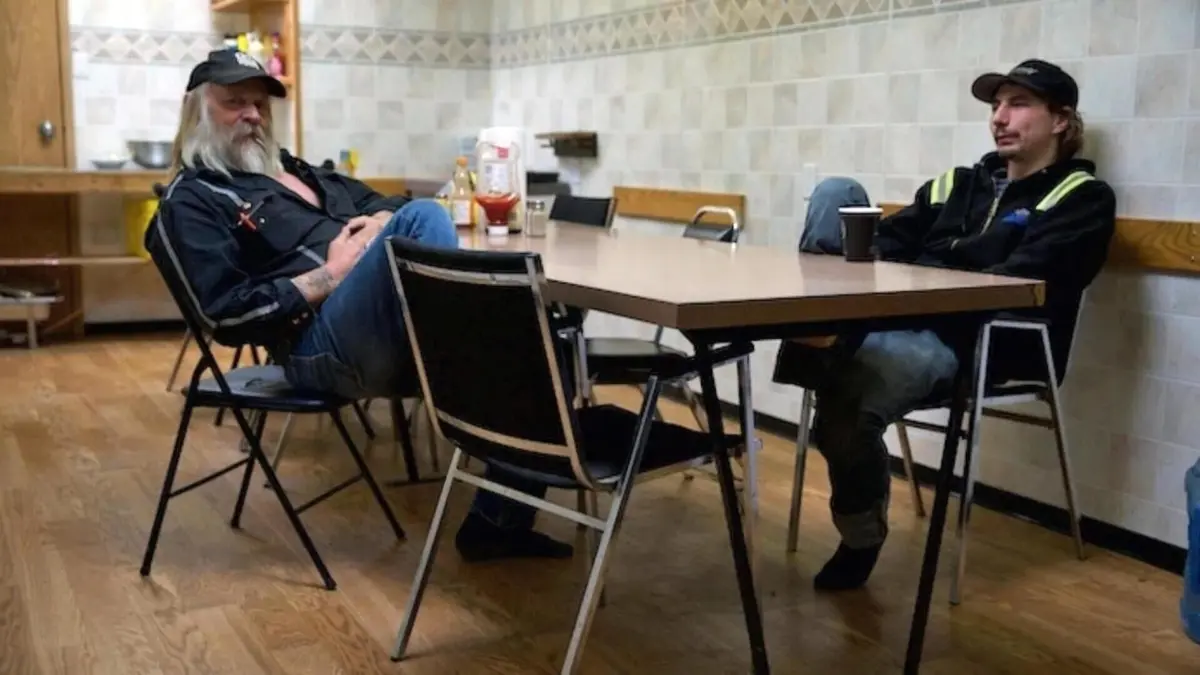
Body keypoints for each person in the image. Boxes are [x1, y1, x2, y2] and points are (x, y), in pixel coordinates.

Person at [145, 48, 573, 563]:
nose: (253, 115)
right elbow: (225, 315)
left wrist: (376, 224)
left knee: (543, 346)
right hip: (316, 346)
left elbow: (387, 203)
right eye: (236, 102)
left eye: (260, 104)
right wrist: (333, 274)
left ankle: (496, 524)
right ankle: (461, 366)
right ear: (196, 111)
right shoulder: (191, 200)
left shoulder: (297, 171)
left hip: (389, 329)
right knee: (427, 220)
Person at [773, 59, 1116, 591]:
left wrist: (918, 278)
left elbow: (1019, 280)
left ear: (1060, 121)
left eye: (1018, 104)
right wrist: (859, 259)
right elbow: (891, 241)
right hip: (903, 321)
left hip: (983, 342)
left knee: (845, 400)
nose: (999, 117)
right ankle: (824, 330)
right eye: (996, 105)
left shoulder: (1082, 197)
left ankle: (859, 532)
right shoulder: (958, 184)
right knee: (836, 191)